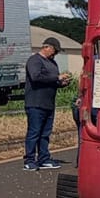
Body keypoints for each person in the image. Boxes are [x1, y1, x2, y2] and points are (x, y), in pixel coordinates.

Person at [24, 37, 70, 170]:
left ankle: (44, 158)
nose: (54, 54)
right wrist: (56, 78)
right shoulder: (34, 60)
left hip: (48, 103)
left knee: (45, 133)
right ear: (47, 47)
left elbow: (52, 81)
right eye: (54, 51)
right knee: (34, 132)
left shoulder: (53, 63)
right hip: (35, 103)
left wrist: (61, 83)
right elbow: (36, 77)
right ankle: (29, 159)